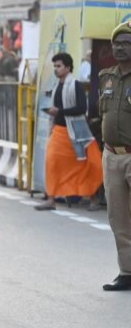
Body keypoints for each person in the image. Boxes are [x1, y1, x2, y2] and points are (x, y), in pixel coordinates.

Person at [34, 53, 103, 211]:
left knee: (82, 166)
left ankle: (93, 198)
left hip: (75, 133)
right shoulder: (57, 85)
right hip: (59, 132)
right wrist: (55, 113)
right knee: (51, 163)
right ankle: (51, 199)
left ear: (68, 67)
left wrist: (59, 111)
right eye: (55, 66)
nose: (56, 69)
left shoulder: (75, 85)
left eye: (59, 66)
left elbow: (81, 108)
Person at [98, 21, 131, 291]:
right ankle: (127, 272)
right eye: (116, 44)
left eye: (126, 43)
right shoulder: (106, 77)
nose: (120, 48)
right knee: (117, 217)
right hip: (111, 155)